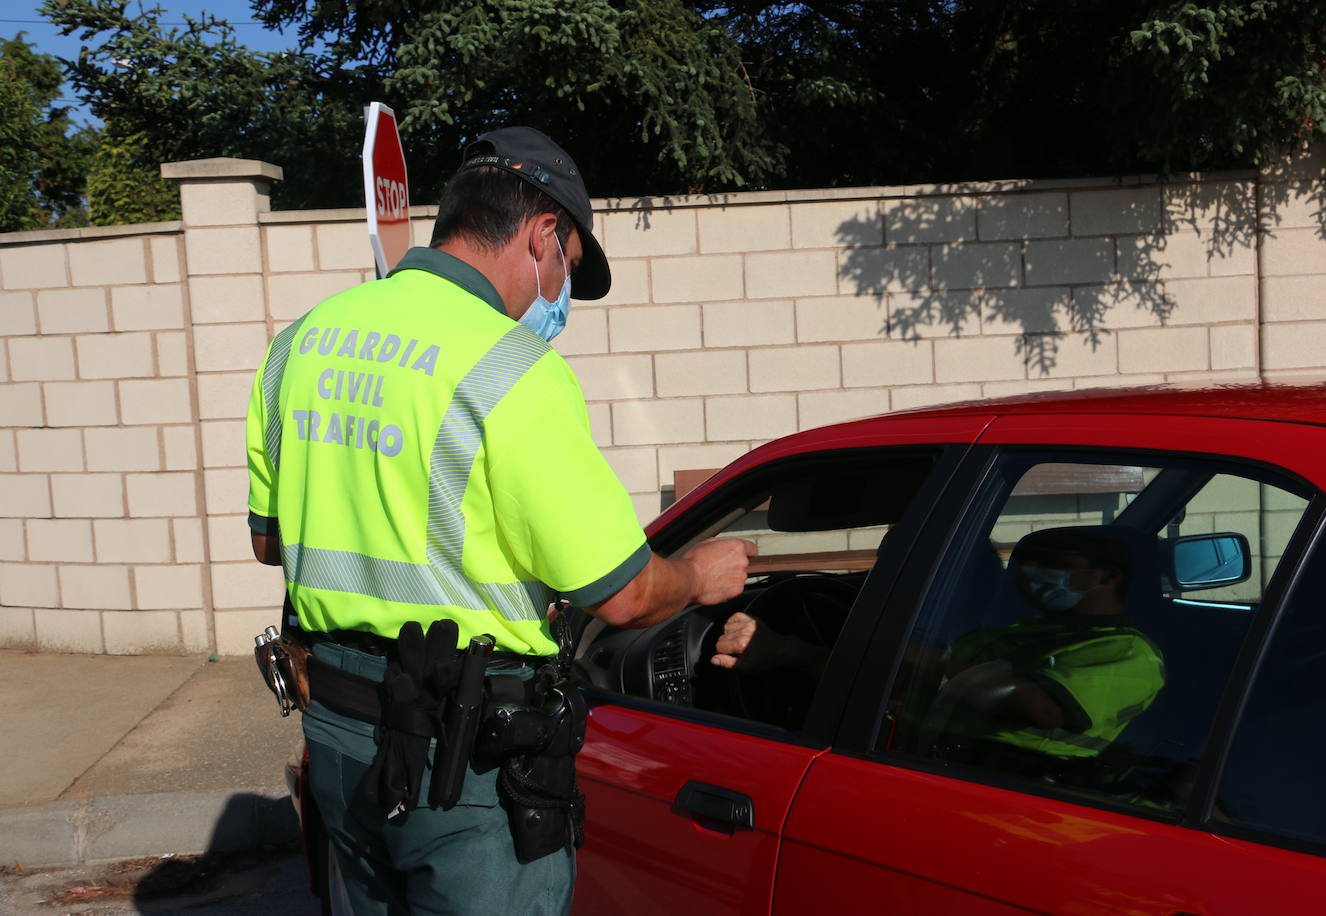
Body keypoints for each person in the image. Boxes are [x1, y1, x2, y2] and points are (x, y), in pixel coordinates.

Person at [245, 126, 754, 916]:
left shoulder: (299, 345)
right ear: (542, 233)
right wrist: (699, 575)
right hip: (468, 761)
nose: (556, 298)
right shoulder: (512, 370)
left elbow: (269, 540)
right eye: (568, 271)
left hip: (341, 731)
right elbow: (620, 596)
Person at [712, 526, 1164, 769]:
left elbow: (1035, 707)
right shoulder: (1018, 631)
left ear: (1108, 577)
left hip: (1016, 787)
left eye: (1058, 567)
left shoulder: (1128, 653)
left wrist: (887, 640)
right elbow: (900, 688)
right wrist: (793, 653)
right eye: (1026, 567)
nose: (1033, 578)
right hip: (909, 759)